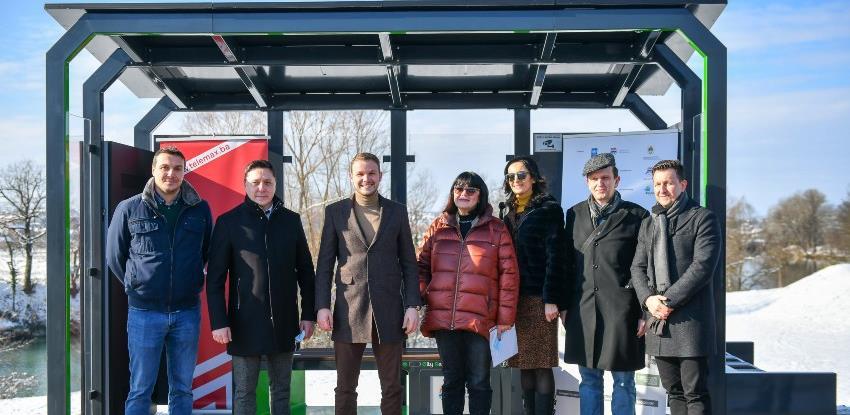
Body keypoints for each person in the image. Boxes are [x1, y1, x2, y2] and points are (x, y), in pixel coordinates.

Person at [106, 146, 212, 415]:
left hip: (187, 312)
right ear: (153, 170)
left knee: (182, 388)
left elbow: (205, 252)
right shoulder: (129, 208)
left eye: (177, 168)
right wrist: (137, 285)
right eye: (165, 167)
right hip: (144, 313)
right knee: (140, 388)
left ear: (184, 172)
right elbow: (114, 257)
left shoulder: (199, 209)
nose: (171, 173)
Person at [314, 152, 422, 415]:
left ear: (380, 176)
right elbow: (325, 265)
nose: (366, 179)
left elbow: (409, 263)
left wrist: (412, 306)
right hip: (348, 309)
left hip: (390, 310)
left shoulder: (397, 212)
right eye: (360, 174)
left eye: (371, 173)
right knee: (345, 387)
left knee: (392, 386)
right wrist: (321, 306)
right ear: (351, 177)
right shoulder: (335, 212)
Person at [206, 160, 316, 415]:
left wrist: (308, 314)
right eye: (255, 182)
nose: (261, 188)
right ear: (245, 185)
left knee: (281, 392)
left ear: (275, 184)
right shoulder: (229, 223)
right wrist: (219, 321)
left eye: (267, 182)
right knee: (244, 393)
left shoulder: (291, 221)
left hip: (285, 322)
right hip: (244, 324)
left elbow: (306, 273)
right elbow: (215, 279)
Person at [418, 172, 520, 415]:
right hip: (445, 319)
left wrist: (505, 317)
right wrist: (424, 295)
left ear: (480, 195)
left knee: (479, 382)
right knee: (452, 380)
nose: (463, 194)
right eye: (458, 189)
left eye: (470, 190)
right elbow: (420, 266)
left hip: (480, 319)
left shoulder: (496, 229)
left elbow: (509, 274)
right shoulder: (438, 227)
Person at [630, 159, 722, 415]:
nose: (662, 189)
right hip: (659, 323)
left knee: (696, 394)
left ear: (682, 184)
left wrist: (665, 302)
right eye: (658, 184)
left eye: (668, 183)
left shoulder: (702, 218)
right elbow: (637, 268)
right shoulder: (649, 223)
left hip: (691, 322)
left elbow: (702, 267)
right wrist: (648, 301)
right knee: (674, 393)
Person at [562, 153, 648, 415]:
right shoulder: (573, 215)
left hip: (623, 311)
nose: (601, 183)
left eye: (606, 178)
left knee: (624, 381)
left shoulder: (637, 215)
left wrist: (643, 311)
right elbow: (567, 264)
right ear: (587, 182)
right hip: (583, 309)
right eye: (595, 179)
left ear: (617, 180)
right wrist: (565, 305)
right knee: (589, 380)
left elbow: (644, 266)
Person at [500, 155, 568, 415]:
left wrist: (551, 298)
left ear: (534, 178)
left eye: (521, 175)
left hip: (539, 299)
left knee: (542, 364)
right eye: (511, 176)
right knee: (524, 364)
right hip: (514, 300)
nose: (516, 180)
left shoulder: (549, 209)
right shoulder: (506, 212)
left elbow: (556, 255)